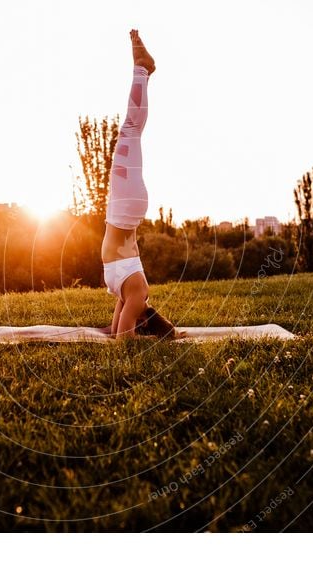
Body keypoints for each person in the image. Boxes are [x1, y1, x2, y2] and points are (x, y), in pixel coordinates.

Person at [102, 30, 177, 340]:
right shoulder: (133, 289)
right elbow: (120, 331)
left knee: (131, 130)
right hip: (119, 229)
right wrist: (153, 337)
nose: (145, 306)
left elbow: (118, 335)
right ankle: (141, 69)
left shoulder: (136, 290)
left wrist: (140, 335)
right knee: (129, 131)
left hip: (125, 213)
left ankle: (142, 69)